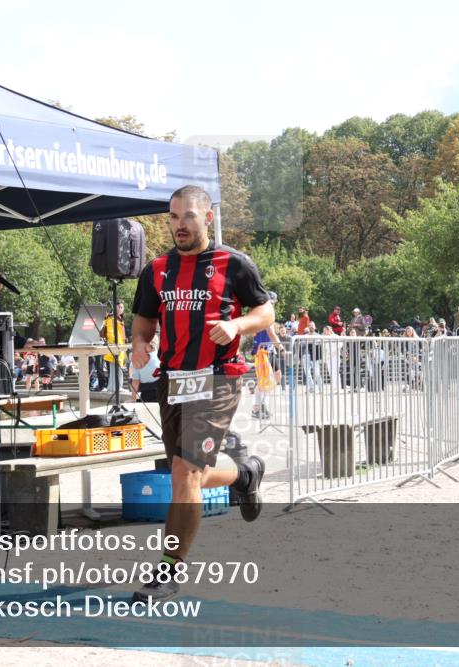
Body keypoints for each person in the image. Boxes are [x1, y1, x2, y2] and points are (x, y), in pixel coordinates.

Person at [130, 185, 273, 602]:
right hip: (173, 380)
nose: (179, 225)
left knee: (185, 474)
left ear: (207, 218)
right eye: (172, 217)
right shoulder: (156, 270)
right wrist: (140, 343)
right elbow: (143, 321)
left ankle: (169, 571)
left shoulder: (234, 263)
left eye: (188, 216)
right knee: (184, 475)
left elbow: (265, 311)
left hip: (218, 376)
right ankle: (246, 474)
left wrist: (237, 326)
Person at [101, 302, 128, 391]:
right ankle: (114, 387)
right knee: (114, 369)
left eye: (122, 307)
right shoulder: (111, 319)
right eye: (119, 307)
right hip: (115, 346)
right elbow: (111, 333)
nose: (121, 309)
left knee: (118, 368)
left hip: (120, 346)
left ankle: (116, 386)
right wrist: (114, 345)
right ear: (115, 308)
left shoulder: (120, 319)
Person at [130, 334, 160, 403]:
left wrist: (133, 397)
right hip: (161, 391)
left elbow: (135, 382)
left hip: (146, 394)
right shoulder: (160, 356)